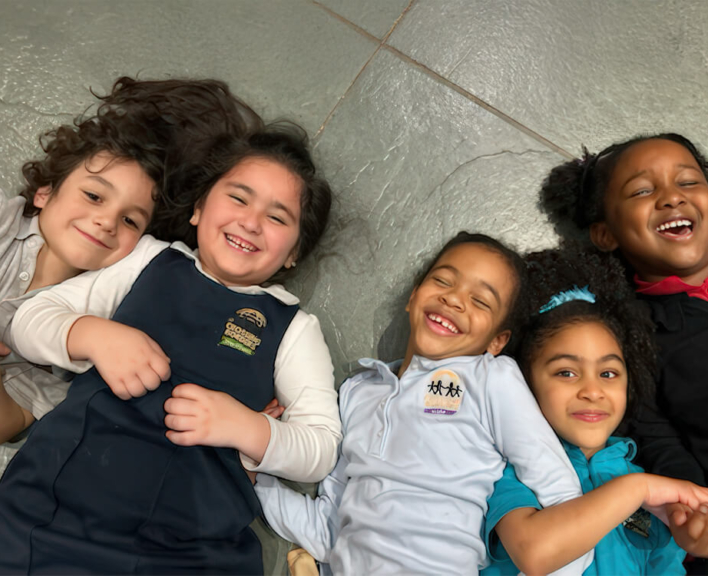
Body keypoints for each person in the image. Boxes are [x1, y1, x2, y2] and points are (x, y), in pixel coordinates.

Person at [0, 123, 341, 574]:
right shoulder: (148, 260)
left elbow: (320, 449)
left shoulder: (293, 327)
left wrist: (247, 429)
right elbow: (28, 318)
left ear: (294, 253)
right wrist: (93, 335)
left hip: (191, 544)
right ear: (198, 209)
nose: (251, 222)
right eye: (238, 198)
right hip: (55, 510)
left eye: (277, 218)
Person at [256, 231, 600, 575]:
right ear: (413, 296)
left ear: (497, 341)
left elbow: (561, 497)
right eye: (443, 281)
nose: (454, 300)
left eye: (481, 301)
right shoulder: (358, 391)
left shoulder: (490, 379)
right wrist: (257, 476)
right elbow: (329, 530)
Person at [0, 76, 259, 445]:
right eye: (93, 195)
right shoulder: (0, 221)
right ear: (45, 191)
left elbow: (1, 426)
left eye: (130, 220)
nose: (106, 221)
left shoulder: (88, 335)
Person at [539, 133, 708, 573]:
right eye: (642, 191)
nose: (671, 198)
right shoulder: (629, 336)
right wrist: (694, 509)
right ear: (605, 233)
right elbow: (659, 440)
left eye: (688, 183)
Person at [483, 247, 708, 575]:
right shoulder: (505, 471)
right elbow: (534, 553)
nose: (592, 391)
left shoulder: (656, 495)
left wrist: (698, 537)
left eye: (608, 374)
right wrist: (638, 489)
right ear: (524, 382)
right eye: (566, 372)